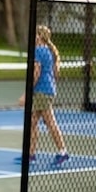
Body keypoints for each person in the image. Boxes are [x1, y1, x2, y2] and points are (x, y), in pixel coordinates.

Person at [15, 25, 69, 166]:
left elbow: (36, 74)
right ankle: (30, 155)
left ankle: (63, 152)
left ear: (40, 36)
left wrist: (26, 94)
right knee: (32, 123)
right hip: (45, 90)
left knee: (50, 123)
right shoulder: (48, 51)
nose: (33, 37)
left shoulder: (38, 50)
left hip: (42, 92)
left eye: (35, 34)